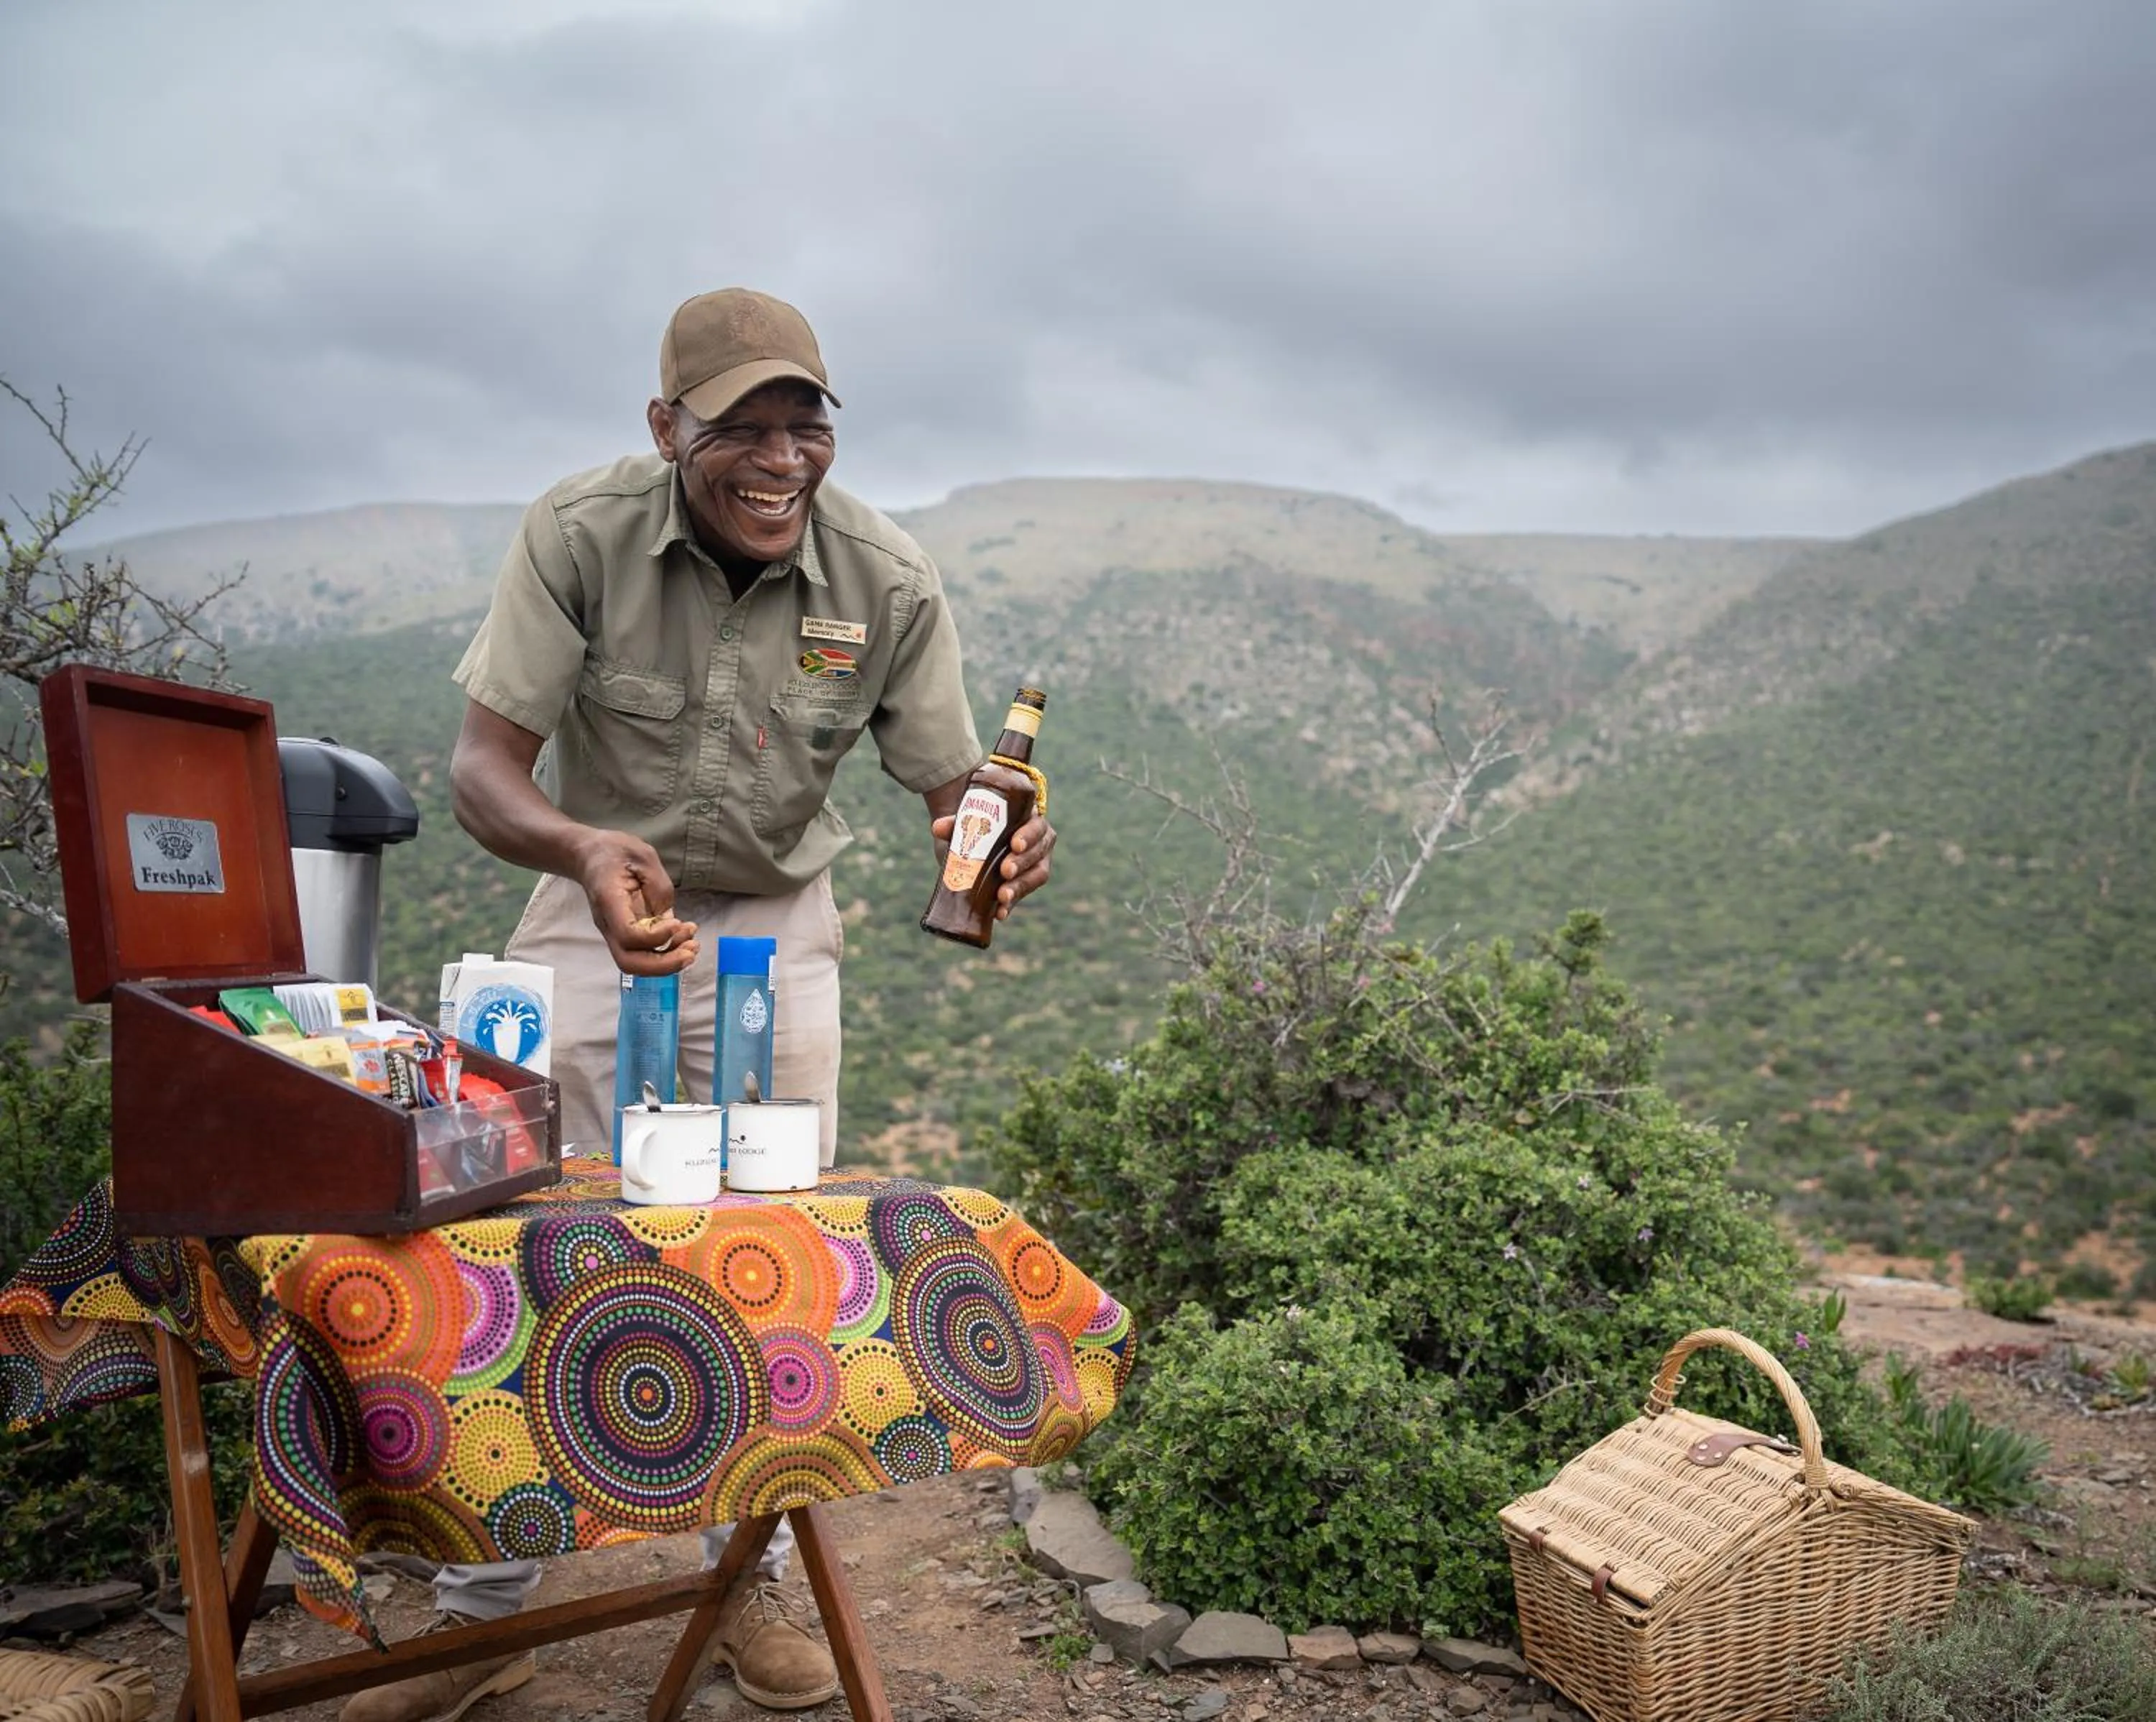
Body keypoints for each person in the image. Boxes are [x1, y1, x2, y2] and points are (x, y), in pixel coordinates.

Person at [344, 289, 1054, 1722]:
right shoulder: (577, 532)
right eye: (744, 427)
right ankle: (485, 1613)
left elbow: (952, 792)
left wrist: (998, 838)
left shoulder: (887, 576)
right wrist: (585, 850)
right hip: (591, 878)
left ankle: (752, 1588)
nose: (782, 458)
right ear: (667, 427)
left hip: (780, 915)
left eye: (809, 424)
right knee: (527, 1224)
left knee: (770, 1239)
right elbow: (487, 771)